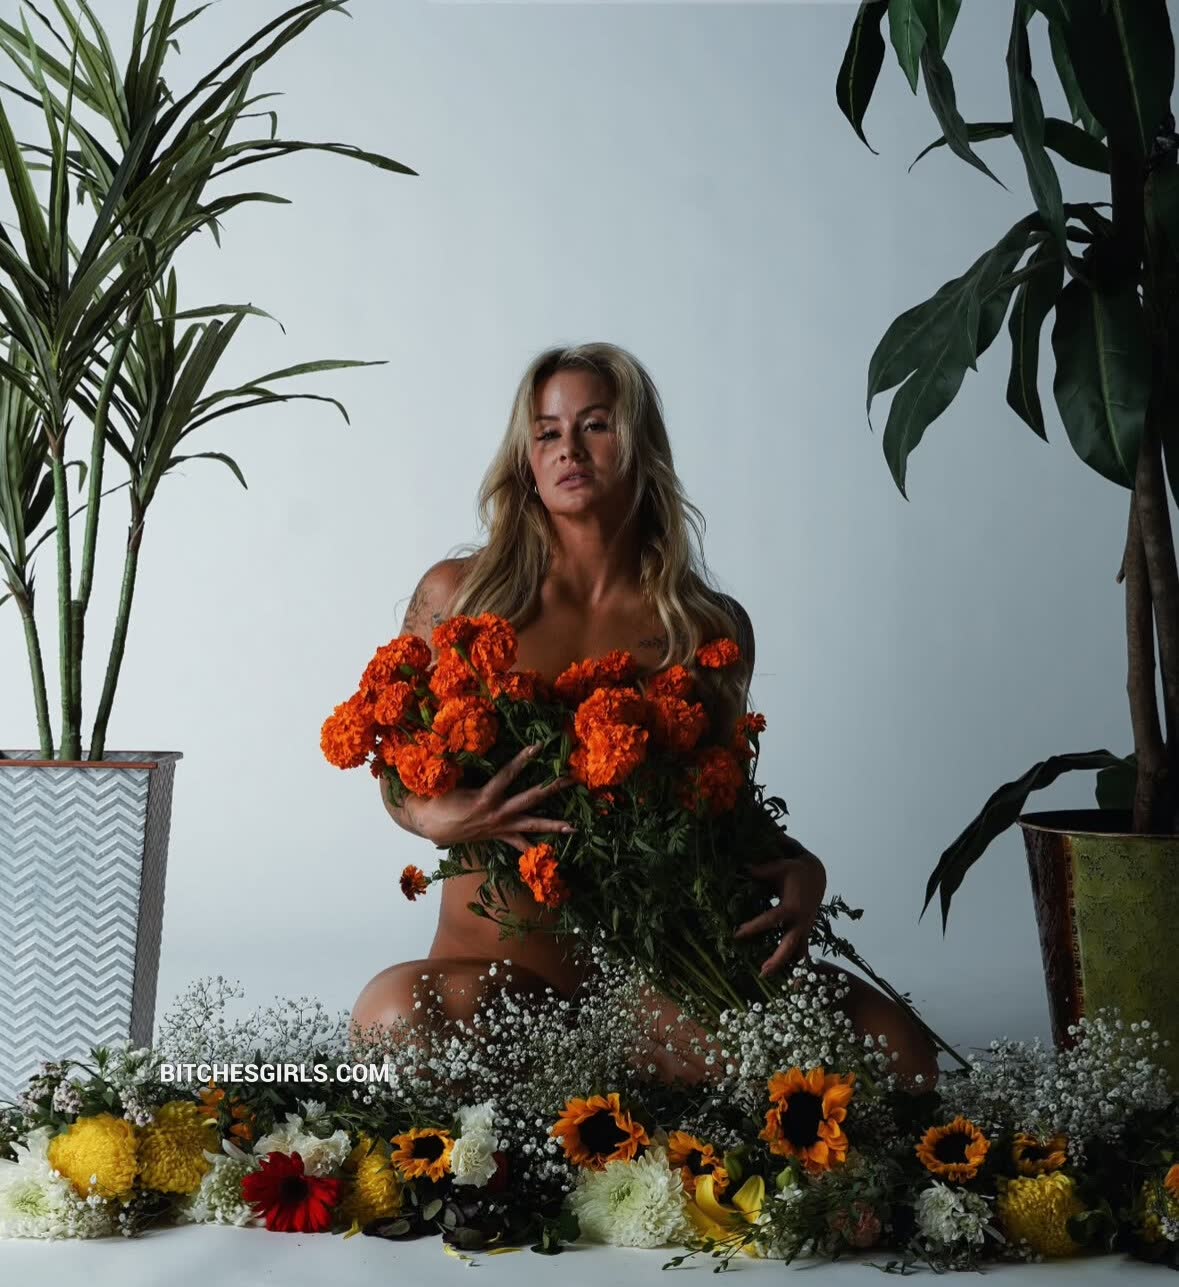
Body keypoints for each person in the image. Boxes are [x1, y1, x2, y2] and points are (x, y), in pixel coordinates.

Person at [351, 342, 938, 1089]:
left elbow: (720, 809)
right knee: (391, 1015)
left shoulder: (703, 625)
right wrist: (433, 816)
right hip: (504, 988)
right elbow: (393, 763)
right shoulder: (456, 595)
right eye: (547, 432)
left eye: (594, 425)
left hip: (649, 991)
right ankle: (612, 1093)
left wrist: (803, 867)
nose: (569, 449)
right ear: (526, 457)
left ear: (638, 444)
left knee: (903, 1056)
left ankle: (604, 1085)